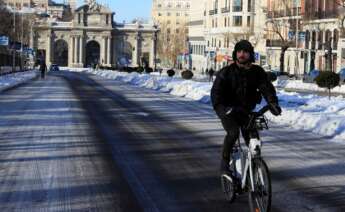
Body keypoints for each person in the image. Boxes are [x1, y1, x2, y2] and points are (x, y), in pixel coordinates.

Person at [210, 40, 282, 175]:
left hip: (246, 111)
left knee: (254, 140)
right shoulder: (226, 72)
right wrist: (222, 110)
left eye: (245, 52)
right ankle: (224, 163)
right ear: (235, 53)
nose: (242, 54)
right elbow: (216, 94)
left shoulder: (257, 72)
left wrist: (273, 103)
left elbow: (266, 89)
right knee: (233, 133)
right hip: (229, 112)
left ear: (251, 54)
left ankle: (254, 170)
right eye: (239, 52)